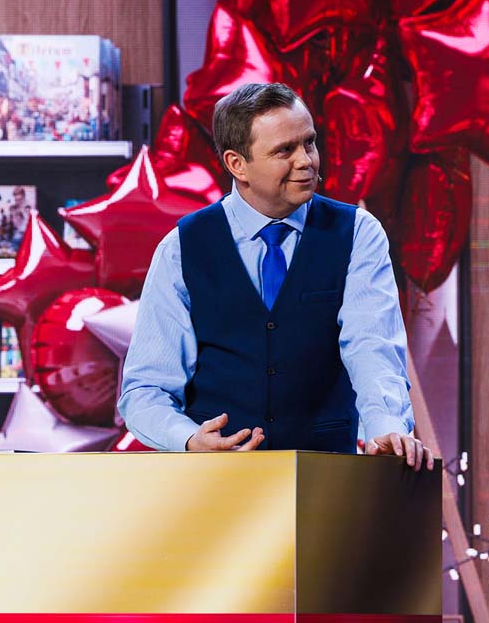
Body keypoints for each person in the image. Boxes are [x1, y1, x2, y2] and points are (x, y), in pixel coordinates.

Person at [118, 82, 434, 470]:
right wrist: (187, 438)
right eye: (285, 150)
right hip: (215, 483)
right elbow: (145, 390)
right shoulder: (181, 247)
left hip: (326, 477)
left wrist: (387, 427)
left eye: (309, 143)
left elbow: (373, 348)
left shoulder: (357, 233)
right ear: (237, 164)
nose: (306, 161)